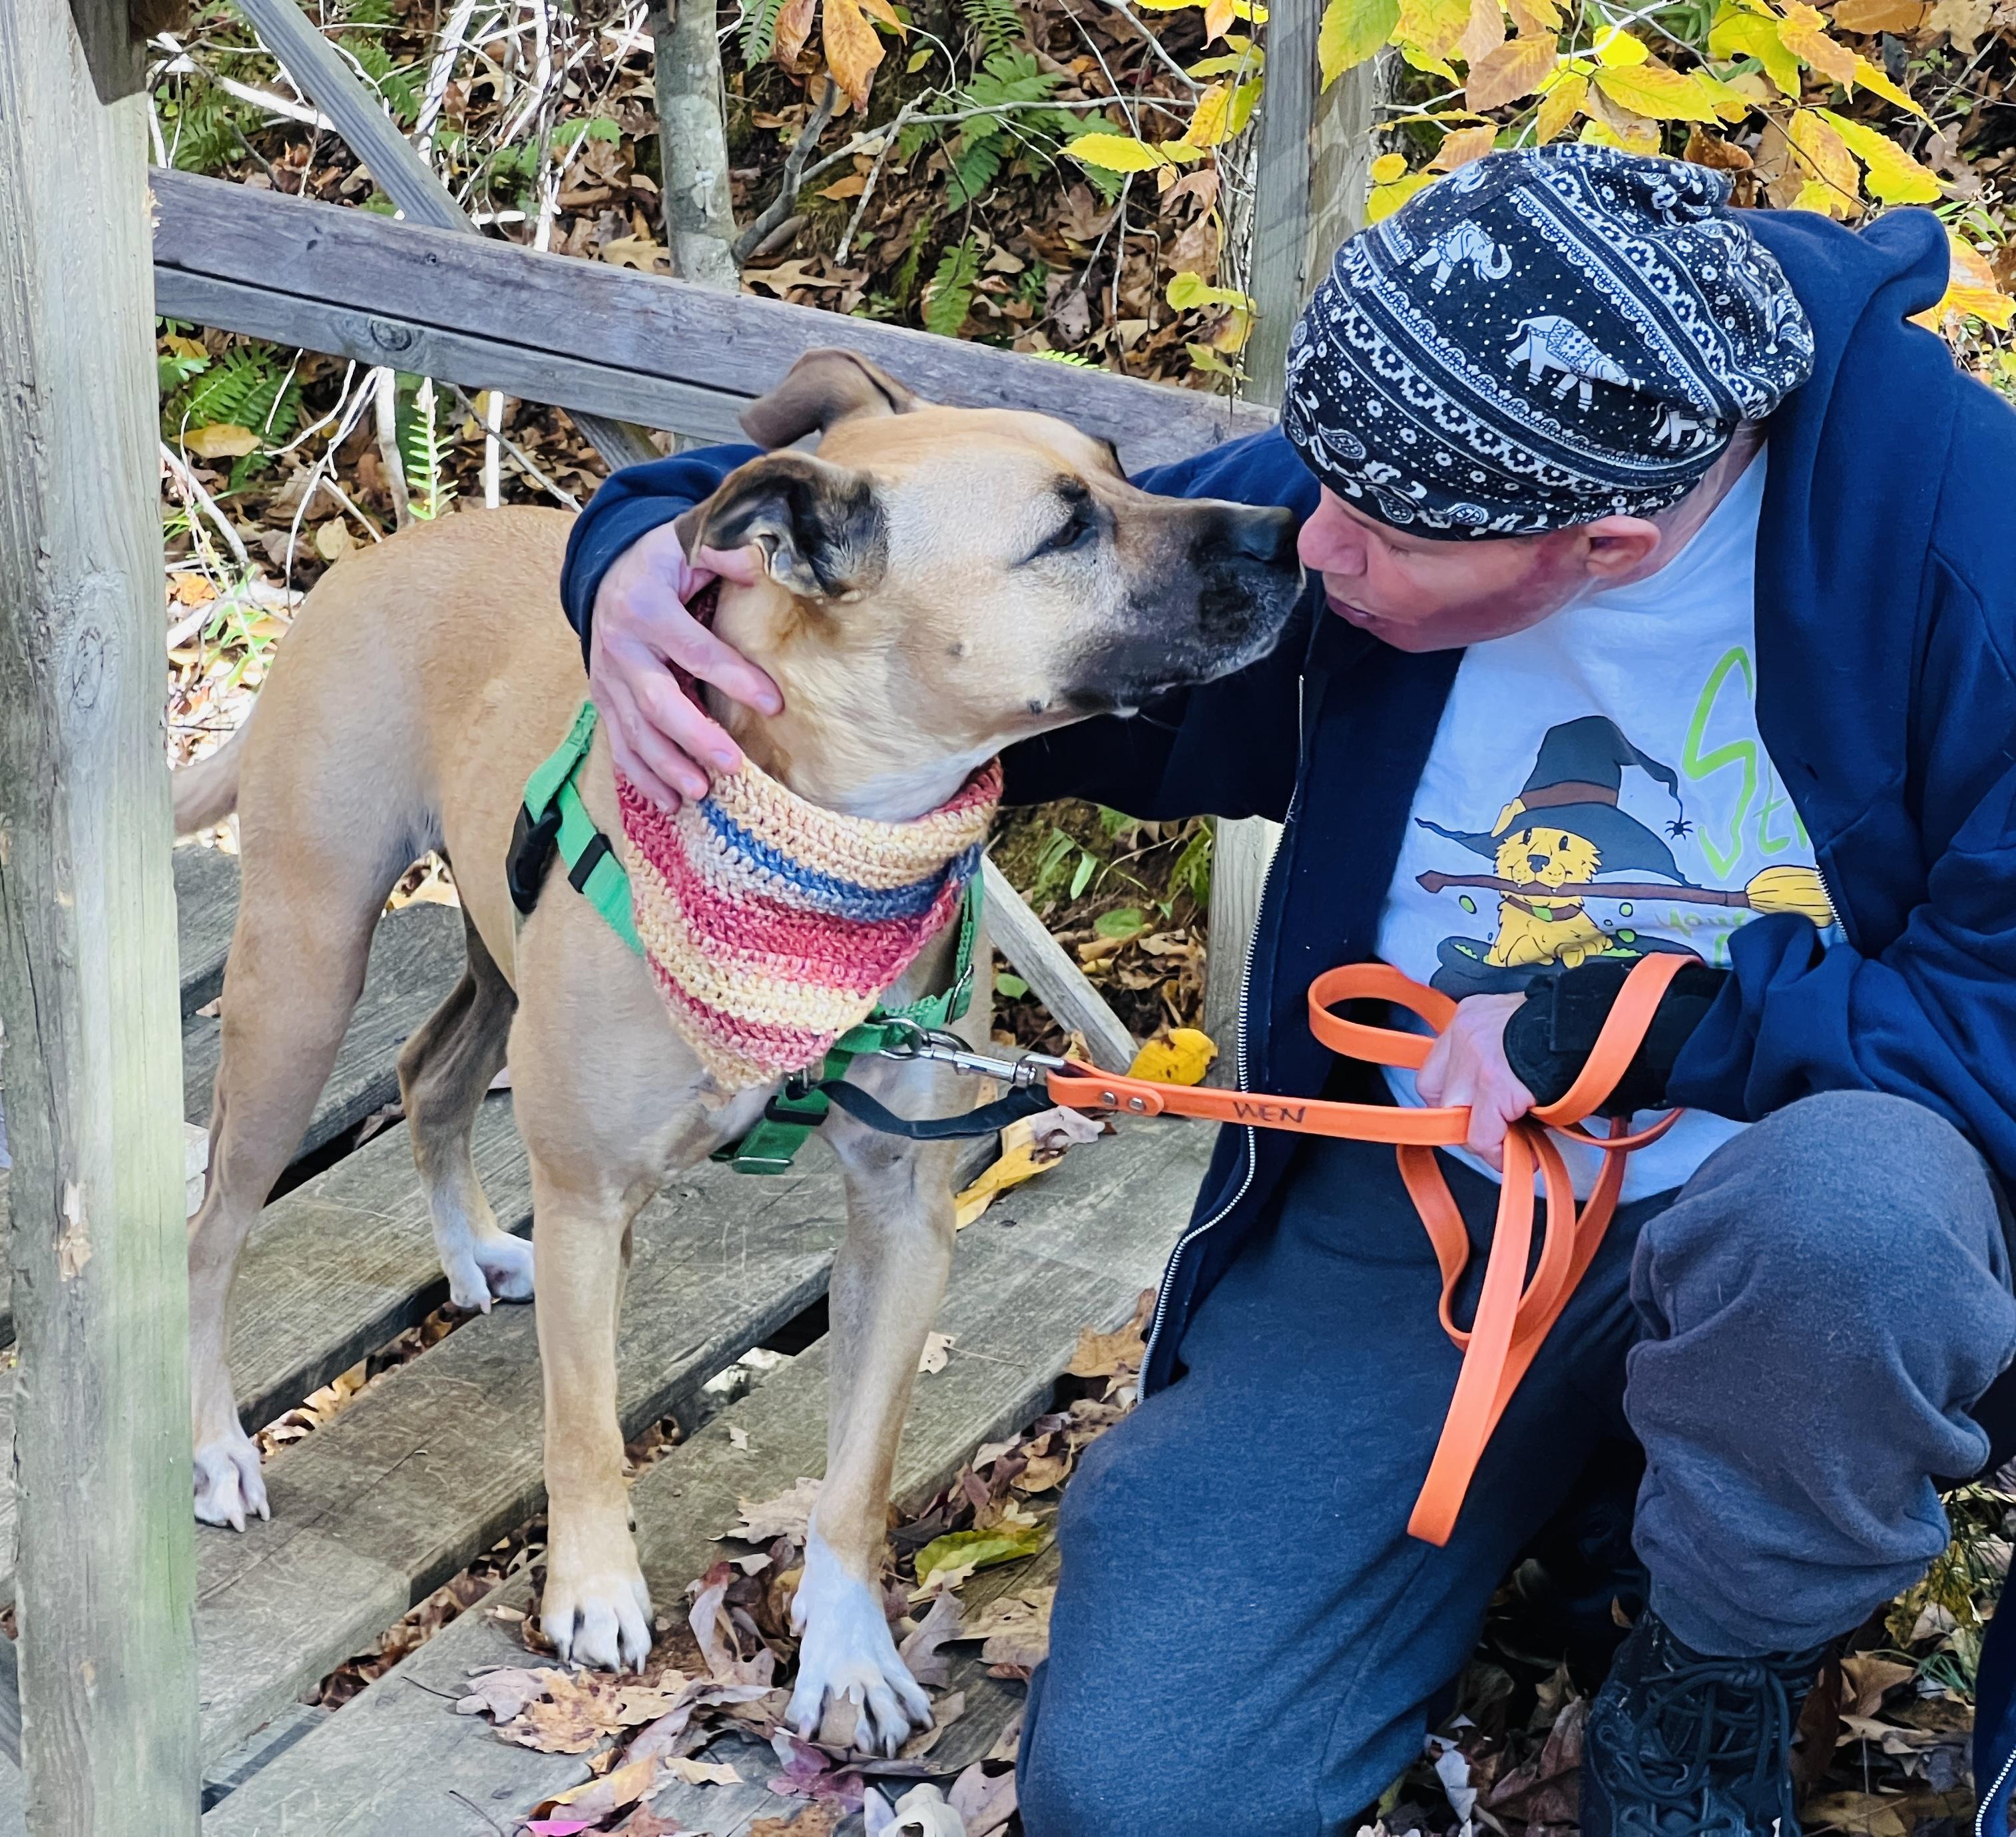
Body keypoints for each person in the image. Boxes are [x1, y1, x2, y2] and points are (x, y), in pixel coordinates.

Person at [555, 146, 2016, 1836]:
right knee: (1148, 1792)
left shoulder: (1961, 558)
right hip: (1434, 1202)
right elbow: (908, 557)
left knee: (1844, 1224)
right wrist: (627, 575)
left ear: (1607, 544)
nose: (1304, 544)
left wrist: (1640, 1020)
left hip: (1811, 1211)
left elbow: (1994, 1027)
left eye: (1370, 535)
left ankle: (1712, 1672)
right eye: (1314, 481)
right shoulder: (1417, 457)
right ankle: (1541, 1520)